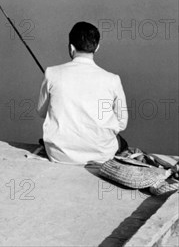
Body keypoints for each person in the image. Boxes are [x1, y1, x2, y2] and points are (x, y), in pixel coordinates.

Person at [37, 21, 128, 164]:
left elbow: (41, 112)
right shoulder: (112, 80)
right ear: (97, 48)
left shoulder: (52, 73)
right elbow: (122, 123)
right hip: (101, 156)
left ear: (71, 47)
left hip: (60, 154)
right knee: (121, 142)